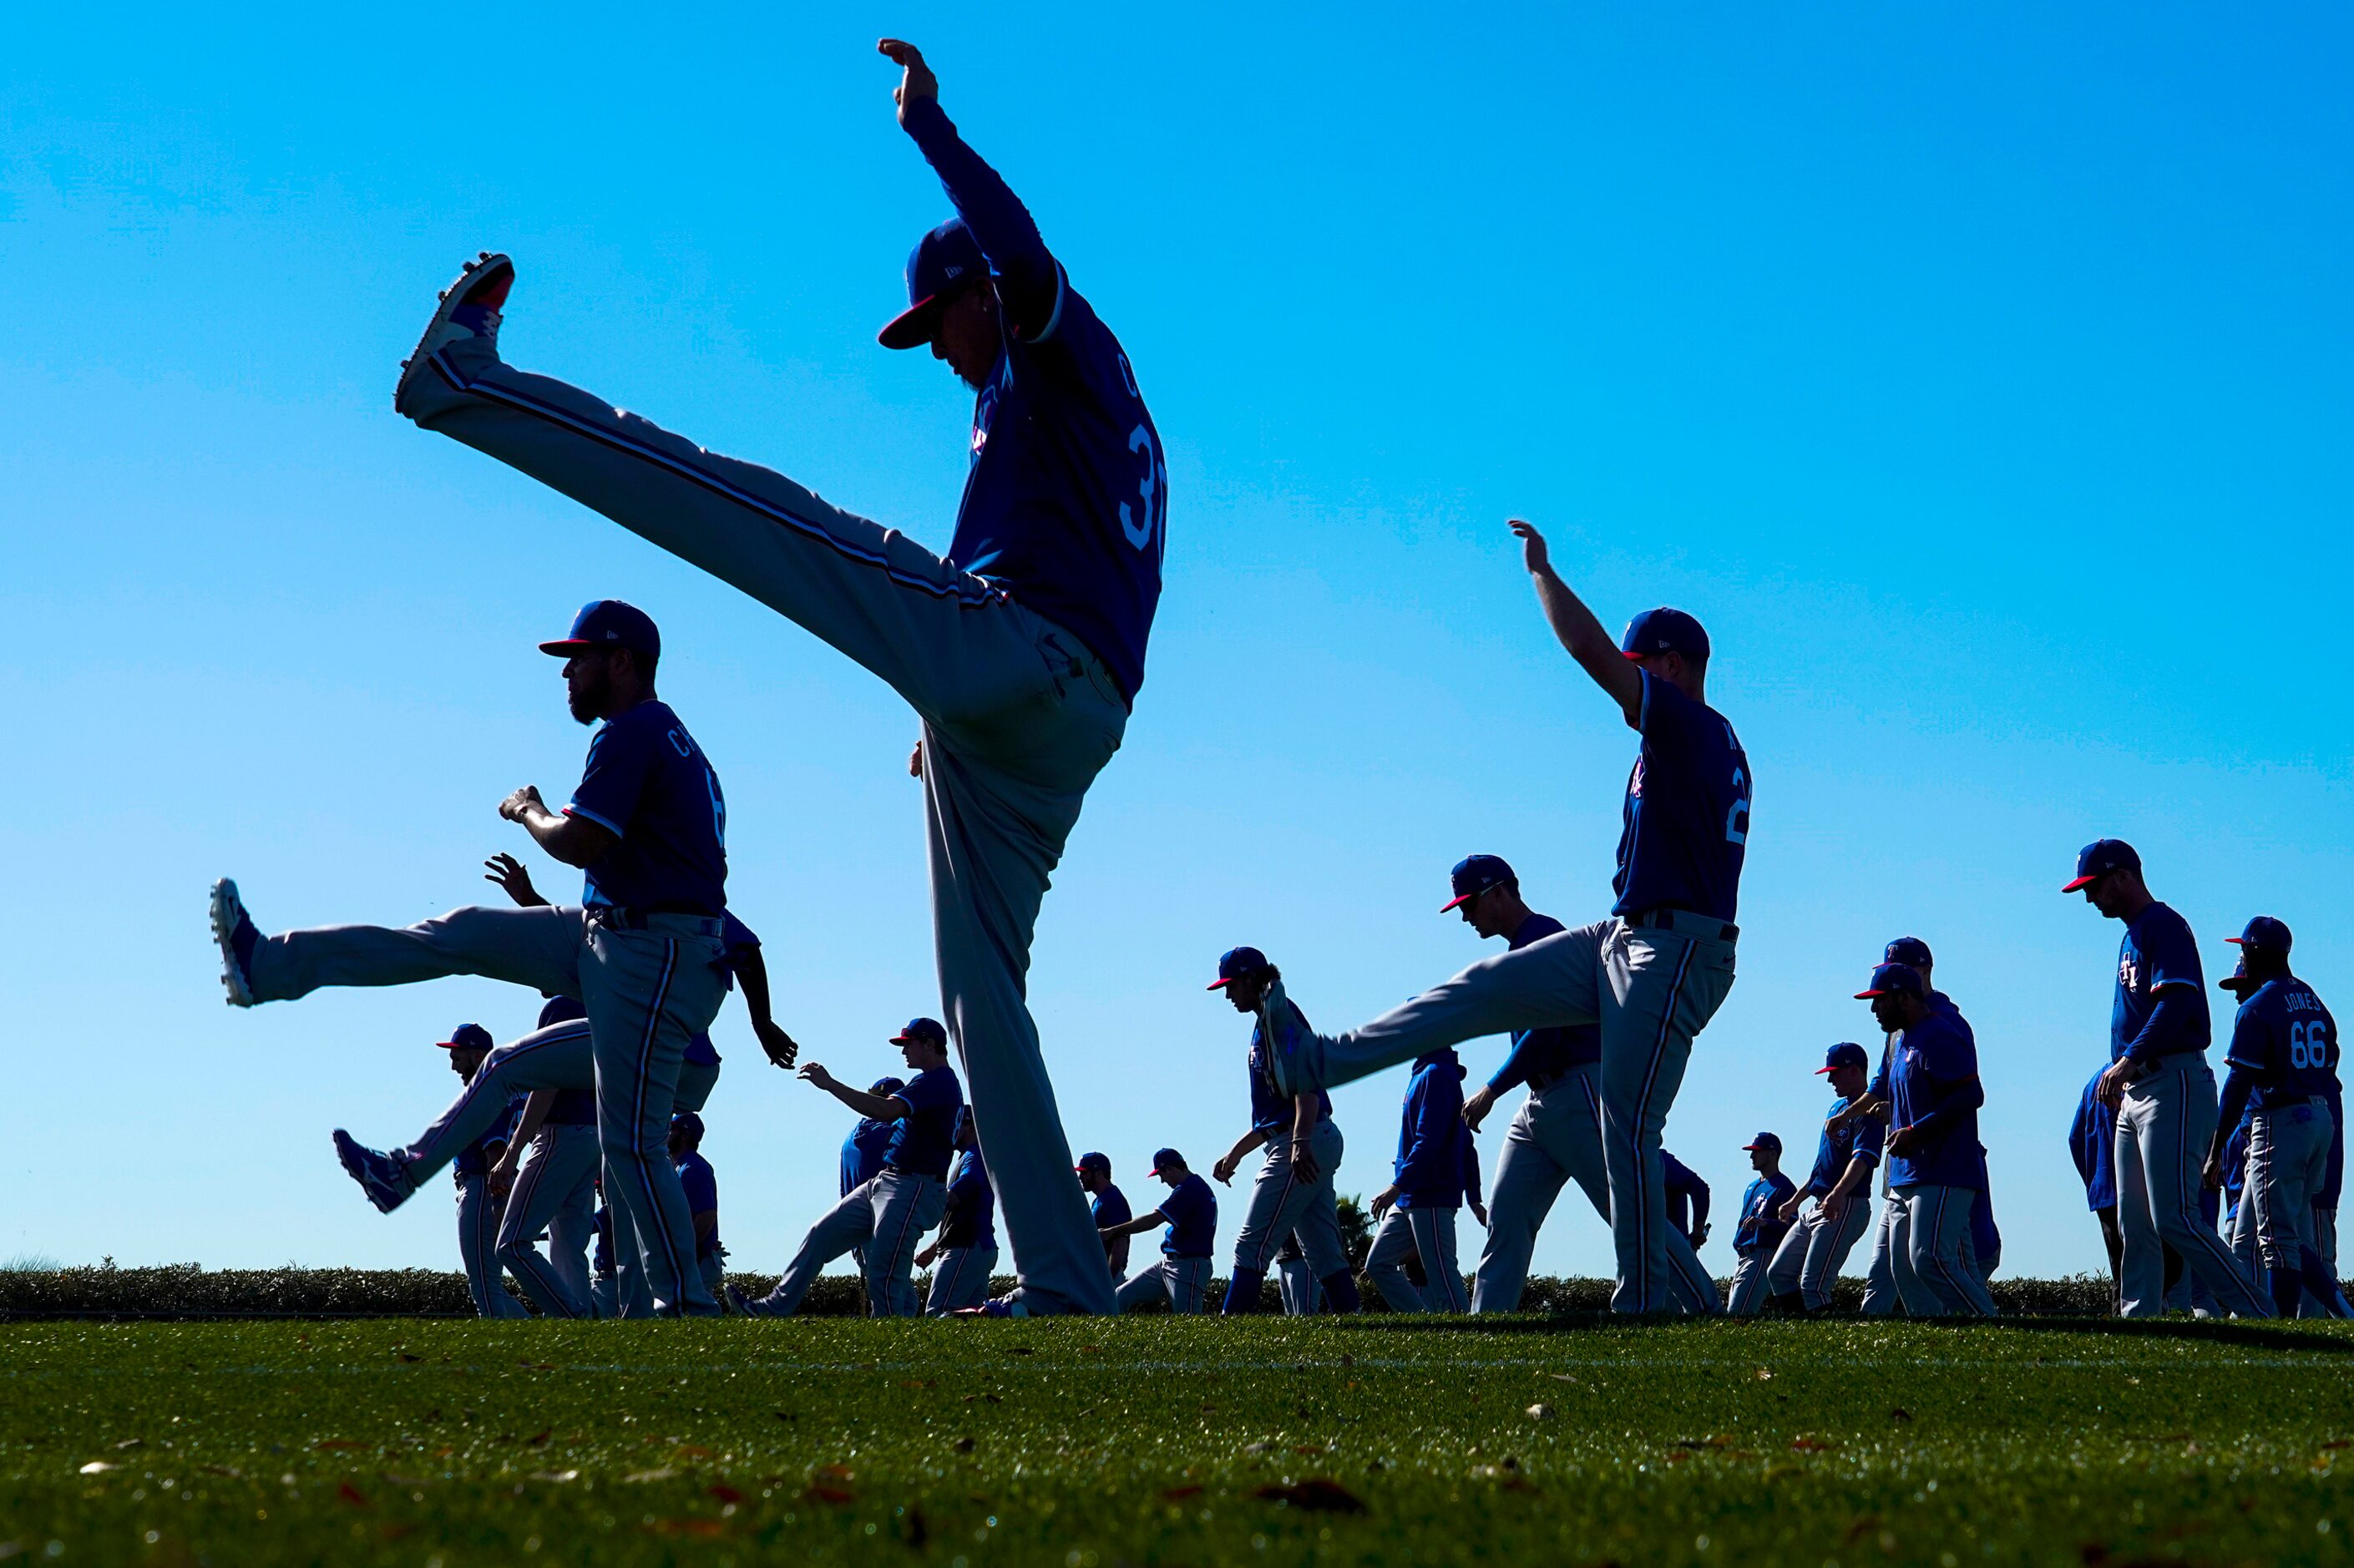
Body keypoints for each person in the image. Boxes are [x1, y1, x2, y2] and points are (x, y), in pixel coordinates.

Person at [392, 38, 1162, 1319]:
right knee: (981, 1006)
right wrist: (957, 706)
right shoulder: (1092, 422)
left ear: (977, 291)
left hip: (1019, 648)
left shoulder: (1052, 344)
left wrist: (931, 132)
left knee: (744, 511)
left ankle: (465, 385)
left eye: (937, 321)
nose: (933, 350)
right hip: (1062, 716)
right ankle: (1069, 1283)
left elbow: (1023, 263)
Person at [1258, 528, 1749, 1315]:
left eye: (1643, 664)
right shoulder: (1676, 742)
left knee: (1626, 1127)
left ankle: (1649, 1302)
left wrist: (1543, 576)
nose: (1632, 678)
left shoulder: (1693, 726)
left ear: (1676, 664)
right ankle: (1322, 1060)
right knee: (1480, 986)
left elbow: (1590, 655)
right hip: (1624, 933)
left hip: (1678, 947)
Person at [219, 599, 733, 1316]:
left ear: (622, 662)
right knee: (460, 937)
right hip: (615, 933)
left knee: (633, 1144)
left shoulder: (635, 730)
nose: (567, 673)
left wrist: (529, 809)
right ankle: (267, 968)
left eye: (578, 657)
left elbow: (581, 842)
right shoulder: (664, 737)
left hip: (657, 953)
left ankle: (689, 1309)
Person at [2069, 840, 2270, 1318]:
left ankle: (2257, 1309)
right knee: (2134, 1222)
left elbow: (2177, 1004)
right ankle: (2140, 1318)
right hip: (2137, 1089)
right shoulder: (2133, 933)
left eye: (2095, 886)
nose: (2090, 898)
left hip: (2171, 1080)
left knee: (2175, 1218)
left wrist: (2130, 1059)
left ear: (2123, 876)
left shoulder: (2163, 924)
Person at [1441, 856, 1606, 1313]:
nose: (1464, 915)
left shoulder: (1544, 939)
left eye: (1469, 904)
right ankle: (1486, 1328)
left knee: (1628, 1215)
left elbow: (1548, 1034)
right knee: (1506, 1219)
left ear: (1499, 892)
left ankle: (1703, 1305)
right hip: (1543, 1101)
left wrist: (1492, 1089)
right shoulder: (1524, 946)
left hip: (1577, 1090)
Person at [729, 1019, 964, 1318]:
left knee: (884, 1274)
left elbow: (885, 1110)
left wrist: (830, 1085)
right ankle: (771, 1309)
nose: (904, 1051)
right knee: (820, 1235)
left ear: (930, 1044)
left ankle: (895, 1350)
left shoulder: (937, 1080)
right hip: (888, 1181)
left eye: (909, 1044)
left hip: (913, 1187)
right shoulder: (932, 1081)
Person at [2201, 918, 2349, 1318]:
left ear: (2253, 953)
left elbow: (2238, 1083)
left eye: (2244, 949)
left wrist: (2216, 1148)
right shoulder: (2312, 998)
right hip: (2319, 1116)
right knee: (2284, 1232)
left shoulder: (2257, 1006)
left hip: (2282, 1118)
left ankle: (2283, 1326)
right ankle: (2340, 1312)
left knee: (2279, 1237)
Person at [1207, 948, 1359, 1315]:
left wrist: (1300, 1141)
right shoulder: (1268, 1017)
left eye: (1231, 986)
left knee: (1251, 1245)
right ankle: (1354, 1324)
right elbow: (1273, 1116)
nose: (1228, 995)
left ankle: (1229, 1331)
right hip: (1306, 1137)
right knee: (1323, 1253)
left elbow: (1307, 1085)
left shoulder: (1279, 1016)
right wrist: (1236, 1153)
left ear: (1249, 980)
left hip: (1305, 1138)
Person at [1853, 964, 1997, 1317]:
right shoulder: (1904, 1042)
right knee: (1903, 1268)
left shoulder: (1938, 1034)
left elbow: (1970, 1094)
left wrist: (1917, 1131)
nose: (1874, 1009)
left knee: (1928, 1258)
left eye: (1880, 1001)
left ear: (1904, 998)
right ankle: (1935, 1340)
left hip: (1944, 1170)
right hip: (1907, 1173)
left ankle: (1987, 1327)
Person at [489, 996, 602, 1318]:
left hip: (561, 1134)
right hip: (593, 1135)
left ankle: (569, 1315)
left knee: (511, 1244)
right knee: (568, 1247)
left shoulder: (562, 1008)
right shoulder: (596, 1007)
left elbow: (547, 1082)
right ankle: (580, 1332)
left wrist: (512, 1153)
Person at [1365, 1048, 1486, 1313]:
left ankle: (1467, 1344)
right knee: (1378, 1263)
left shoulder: (1438, 1075)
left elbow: (1430, 1141)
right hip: (1411, 1193)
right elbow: (1465, 1143)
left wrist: (1397, 1186)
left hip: (1430, 1193)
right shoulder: (1424, 1073)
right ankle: (1425, 1326)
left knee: (1443, 1277)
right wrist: (1474, 1199)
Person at [1767, 1043, 1883, 1315]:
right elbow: (1823, 1167)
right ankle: (1800, 1332)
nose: (1830, 1079)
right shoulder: (1836, 1109)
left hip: (1846, 1203)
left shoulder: (1869, 1111)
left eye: (1836, 1072)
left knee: (1814, 1286)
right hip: (1819, 1203)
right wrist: (1796, 1200)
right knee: (1778, 1273)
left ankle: (1826, 1344)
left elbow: (1863, 1160)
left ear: (1854, 1071)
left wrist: (1838, 1194)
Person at [433, 1024, 529, 1319]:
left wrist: (499, 1202)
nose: (453, 1065)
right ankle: (539, 1336)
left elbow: (496, 1153)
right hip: (493, 1187)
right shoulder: (510, 1089)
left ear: (478, 1055)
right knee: (490, 1285)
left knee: (484, 1286)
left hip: (481, 1188)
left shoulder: (486, 1092)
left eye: (458, 1055)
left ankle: (511, 1349)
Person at [1102, 1150, 1218, 1314]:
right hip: (1169, 1263)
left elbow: (1153, 1220)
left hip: (1189, 1265)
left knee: (1189, 1322)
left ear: (1169, 1169)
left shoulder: (1190, 1189)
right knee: (1121, 1295)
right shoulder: (1194, 1185)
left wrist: (1111, 1232)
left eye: (1161, 1175)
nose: (1163, 1181)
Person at [919, 1109, 1000, 1315]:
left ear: (971, 1127)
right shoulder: (971, 1156)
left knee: (938, 1313)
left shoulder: (974, 1156)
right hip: (977, 1247)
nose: (950, 1130)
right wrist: (933, 1248)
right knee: (975, 1316)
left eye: (957, 1125)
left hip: (966, 1246)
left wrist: (919, 1209)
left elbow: (964, 1187)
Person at [1723, 1133, 1795, 1316]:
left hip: (1762, 1253)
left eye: (1757, 1152)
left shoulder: (1784, 1186)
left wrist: (1765, 1223)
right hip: (1743, 1255)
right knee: (1735, 1315)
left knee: (1738, 1314)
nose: (1752, 1156)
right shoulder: (1752, 1187)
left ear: (1772, 1154)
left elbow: (1792, 1227)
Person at [669, 1111, 725, 1301]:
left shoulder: (692, 1169)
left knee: (695, 1315)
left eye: (671, 1129)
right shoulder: (681, 1167)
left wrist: (685, 1250)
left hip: (697, 1262)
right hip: (696, 1260)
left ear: (685, 1136)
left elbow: (706, 1215)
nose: (665, 1134)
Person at [1076, 1153, 1132, 1282]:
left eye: (1084, 1173)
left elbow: (1120, 1242)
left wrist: (1108, 1279)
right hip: (1099, 1274)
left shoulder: (1113, 1200)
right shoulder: (1099, 1200)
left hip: (1107, 1276)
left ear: (1099, 1173)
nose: (1080, 1177)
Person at [1662, 1151, 1711, 1256]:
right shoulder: (1657, 1160)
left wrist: (1698, 1232)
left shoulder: (1657, 1160)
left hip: (1669, 1248)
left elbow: (1700, 1189)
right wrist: (1698, 1233)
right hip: (1668, 1248)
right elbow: (1700, 1188)